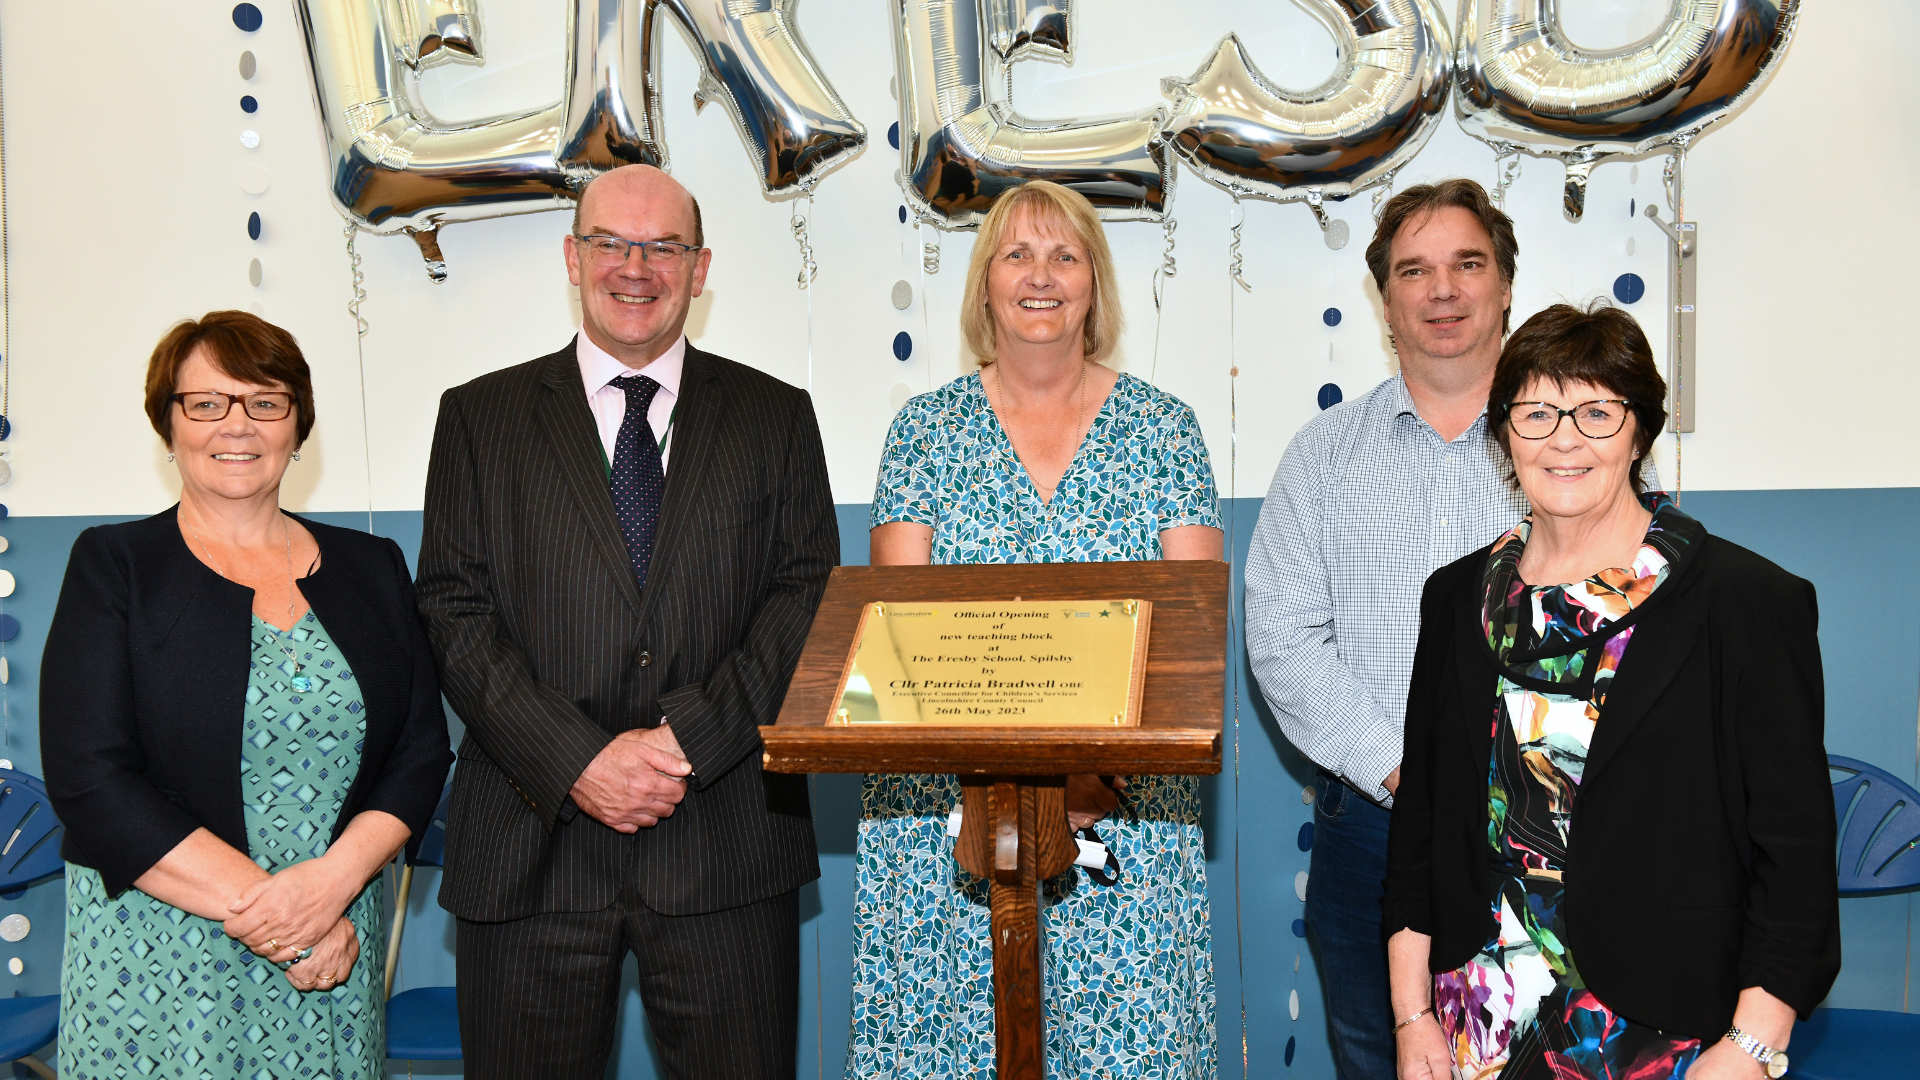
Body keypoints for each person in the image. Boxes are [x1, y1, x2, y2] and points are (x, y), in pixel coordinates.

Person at [415, 163, 837, 1080]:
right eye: (611, 242)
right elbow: (453, 609)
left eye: (663, 246)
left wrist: (686, 740)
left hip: (725, 841)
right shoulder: (479, 419)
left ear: (700, 265)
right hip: (533, 845)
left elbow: (804, 597)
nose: (635, 266)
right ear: (574, 256)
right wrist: (580, 761)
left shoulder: (777, 418)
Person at [1386, 301, 1838, 1079]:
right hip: (1477, 1021)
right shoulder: (1456, 599)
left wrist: (1754, 1045)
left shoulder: (1746, 603)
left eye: (1597, 411)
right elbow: (1420, 827)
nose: (1565, 438)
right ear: (1504, 432)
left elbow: (1794, 857)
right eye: (1537, 412)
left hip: (1665, 1033)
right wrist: (1411, 1015)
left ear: (1639, 433)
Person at [850, 180, 1223, 1078]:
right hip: (949, 828)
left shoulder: (1167, 432)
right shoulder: (923, 433)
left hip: (1127, 818)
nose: (1041, 275)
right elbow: (898, 650)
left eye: (1065, 255)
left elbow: (1192, 642)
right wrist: (1015, 787)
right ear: (984, 284)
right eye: (1017, 254)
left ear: (1095, 284)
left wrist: (1091, 783)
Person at [44, 311, 453, 1078]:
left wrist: (328, 890)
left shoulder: (373, 567)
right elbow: (89, 778)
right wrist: (287, 923)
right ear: (168, 425)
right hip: (163, 954)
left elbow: (422, 749)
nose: (237, 425)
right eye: (206, 403)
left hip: (334, 938)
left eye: (266, 402)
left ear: (298, 426)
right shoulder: (116, 564)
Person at [1245, 179, 1537, 1080]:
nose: (1442, 290)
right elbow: (1283, 638)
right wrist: (1408, 768)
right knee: (1384, 1055)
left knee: (1548, 1058)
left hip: (1548, 820)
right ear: (1386, 298)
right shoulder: (1323, 456)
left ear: (1504, 286)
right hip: (1374, 822)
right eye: (1415, 270)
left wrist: (1508, 771)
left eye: (1466, 264)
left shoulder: (1567, 446)